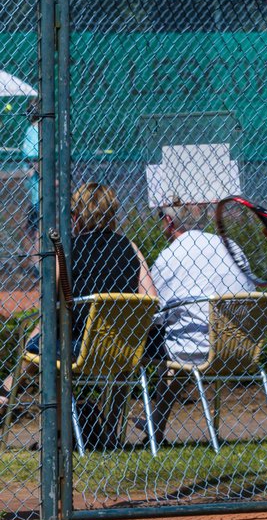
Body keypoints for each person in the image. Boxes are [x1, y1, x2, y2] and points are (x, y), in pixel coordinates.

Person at [0, 183, 157, 446]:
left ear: (76, 216)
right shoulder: (130, 247)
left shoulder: (68, 251)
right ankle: (108, 430)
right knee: (105, 357)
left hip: (78, 348)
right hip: (123, 347)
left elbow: (51, 302)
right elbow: (151, 298)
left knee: (43, 338)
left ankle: (12, 397)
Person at [142, 202, 256, 442]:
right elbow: (251, 292)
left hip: (194, 348)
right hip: (241, 345)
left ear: (169, 222)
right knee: (180, 335)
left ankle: (124, 427)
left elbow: (152, 312)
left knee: (155, 339)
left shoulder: (170, 255)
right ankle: (155, 425)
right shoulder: (230, 245)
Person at [21, 99, 40, 272]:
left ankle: (37, 265)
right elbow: (34, 160)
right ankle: (37, 266)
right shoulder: (35, 131)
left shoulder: (34, 131)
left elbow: (34, 159)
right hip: (38, 191)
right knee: (33, 228)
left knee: (34, 228)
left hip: (38, 192)